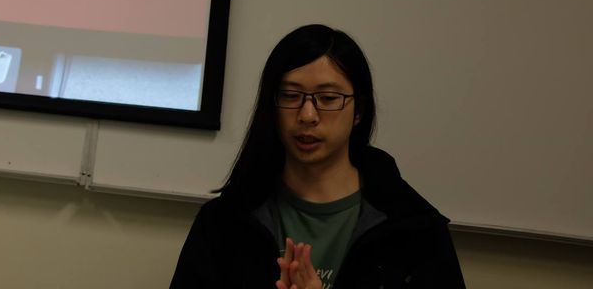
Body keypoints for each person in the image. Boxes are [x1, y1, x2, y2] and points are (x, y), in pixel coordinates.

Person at [170, 24, 465, 289]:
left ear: (359, 111)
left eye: (328, 98)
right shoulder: (225, 222)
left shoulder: (415, 228)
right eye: (291, 96)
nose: (307, 115)